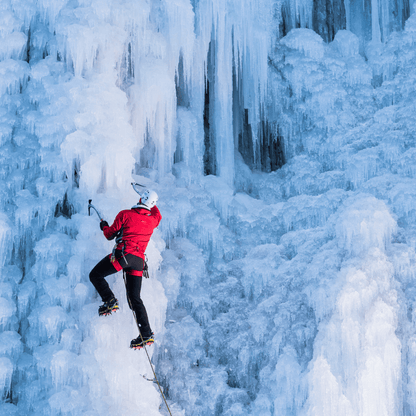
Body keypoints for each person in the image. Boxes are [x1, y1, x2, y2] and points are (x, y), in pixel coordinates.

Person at [89, 189, 162, 349]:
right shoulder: (153, 220)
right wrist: (153, 202)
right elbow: (158, 214)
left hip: (123, 256)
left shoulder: (125, 214)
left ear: (141, 198)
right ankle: (146, 334)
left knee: (95, 275)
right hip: (138, 261)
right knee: (135, 298)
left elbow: (109, 235)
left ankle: (110, 301)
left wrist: (104, 226)